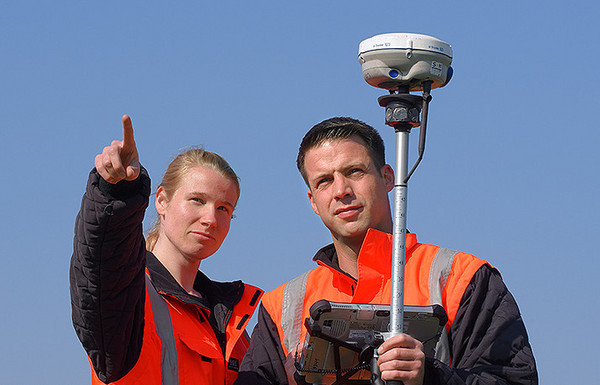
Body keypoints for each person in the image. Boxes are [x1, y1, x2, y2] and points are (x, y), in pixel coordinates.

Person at [234, 117, 538, 385]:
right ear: (313, 200)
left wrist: (429, 377)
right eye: (325, 181)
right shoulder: (281, 307)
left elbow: (513, 378)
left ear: (388, 178)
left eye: (354, 171)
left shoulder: (461, 277)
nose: (341, 190)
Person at [70, 115, 263, 385]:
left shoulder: (232, 325)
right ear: (161, 200)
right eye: (197, 200)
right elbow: (102, 263)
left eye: (223, 208)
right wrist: (116, 193)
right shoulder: (128, 295)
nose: (210, 219)